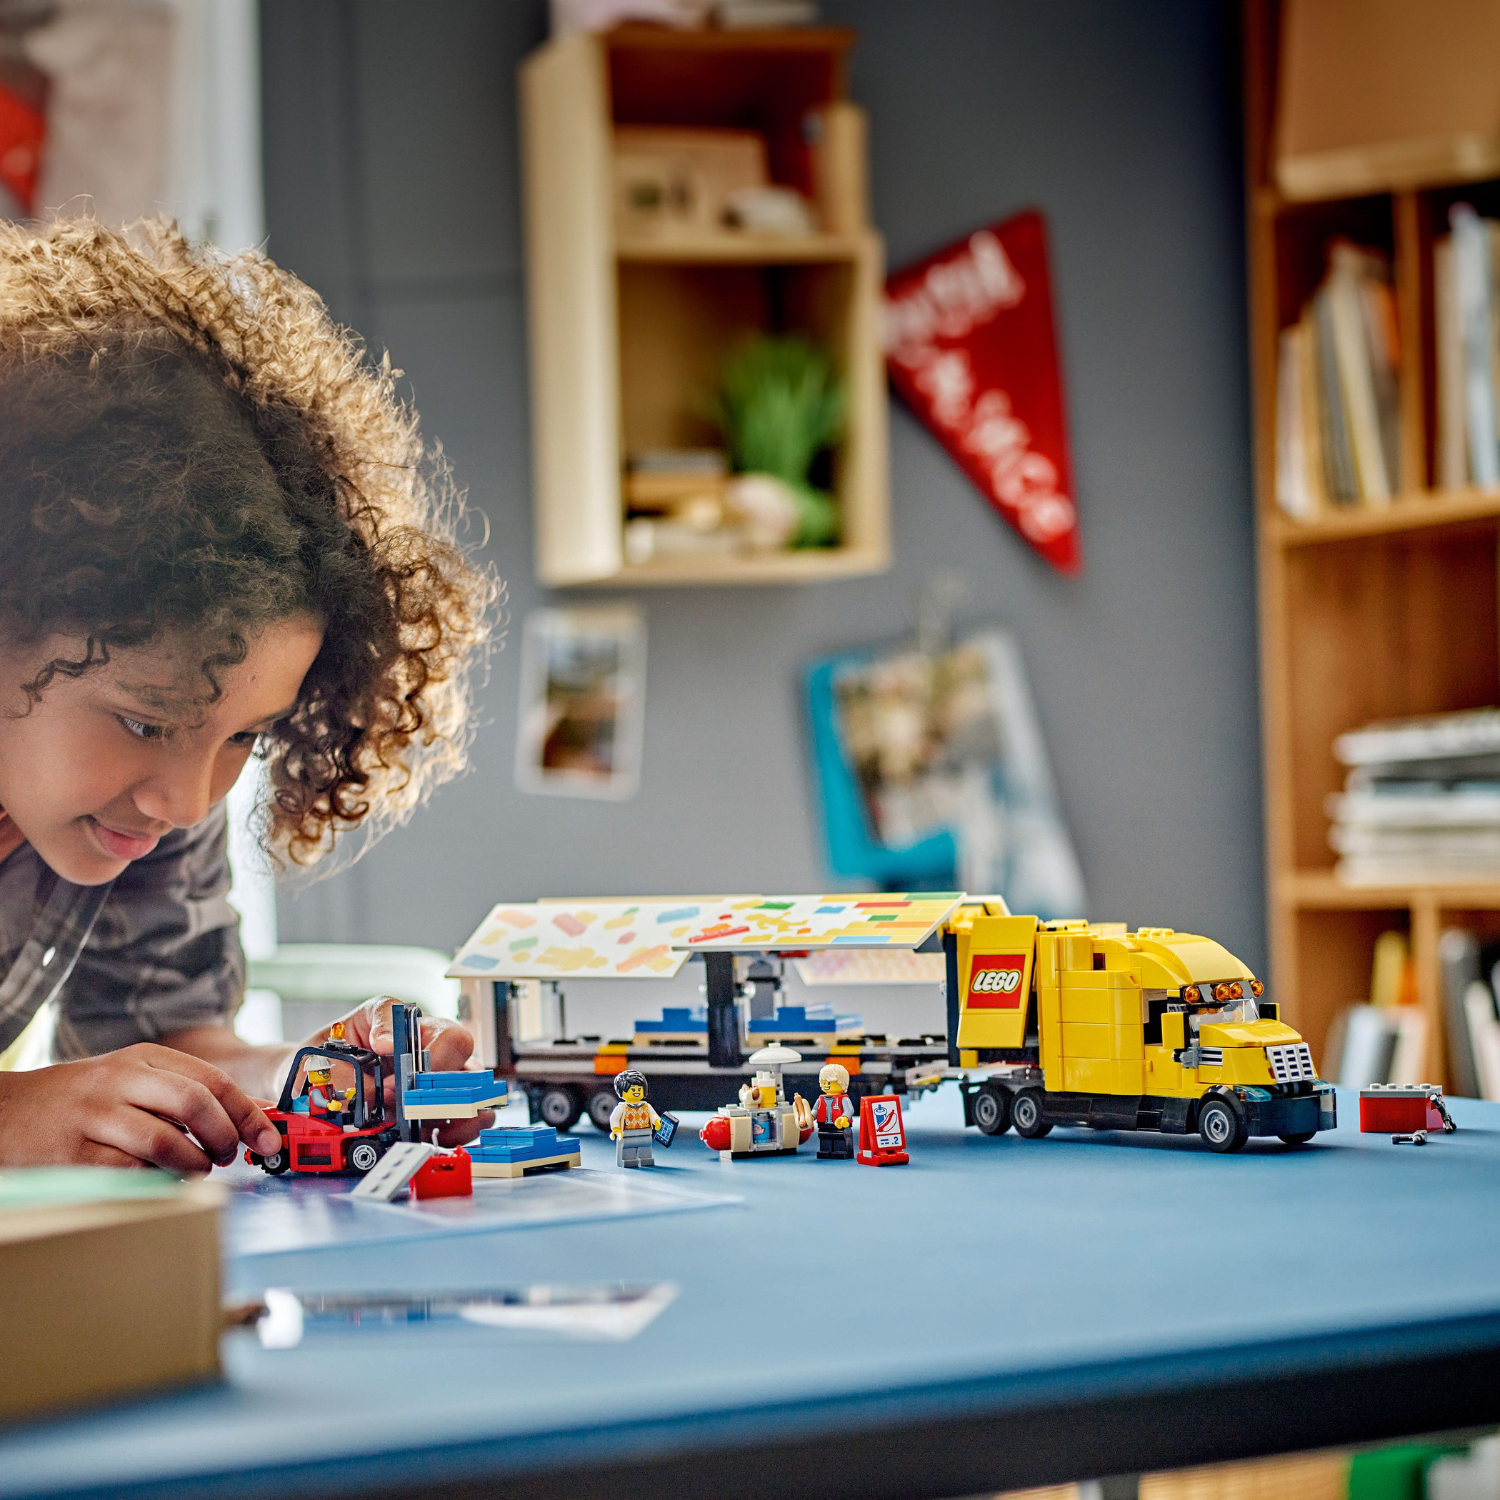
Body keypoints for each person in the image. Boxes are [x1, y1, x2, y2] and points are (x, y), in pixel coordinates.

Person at [0, 217, 497, 1171]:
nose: (188, 802)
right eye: (145, 721)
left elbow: (171, 1036)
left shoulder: (141, 801)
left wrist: (310, 1082)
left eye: (245, 740)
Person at [609, 1070, 660, 1168]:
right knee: (628, 1148)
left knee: (645, 1147)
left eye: (639, 1089)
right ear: (622, 1092)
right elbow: (614, 1118)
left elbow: (653, 1115)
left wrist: (656, 1121)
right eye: (633, 1090)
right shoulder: (622, 1107)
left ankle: (645, 1159)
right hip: (627, 1132)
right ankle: (629, 1160)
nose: (636, 1092)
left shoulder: (646, 1106)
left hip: (645, 1131)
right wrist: (616, 1129)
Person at [813, 1062, 855, 1159]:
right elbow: (815, 1110)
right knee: (824, 1137)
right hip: (824, 1125)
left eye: (829, 1082)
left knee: (840, 1138)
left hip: (840, 1125)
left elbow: (849, 1110)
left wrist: (844, 1118)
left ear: (842, 1083)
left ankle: (841, 1151)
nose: (826, 1085)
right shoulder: (820, 1099)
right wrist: (811, 1117)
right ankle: (825, 1151)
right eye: (824, 1082)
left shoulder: (844, 1099)